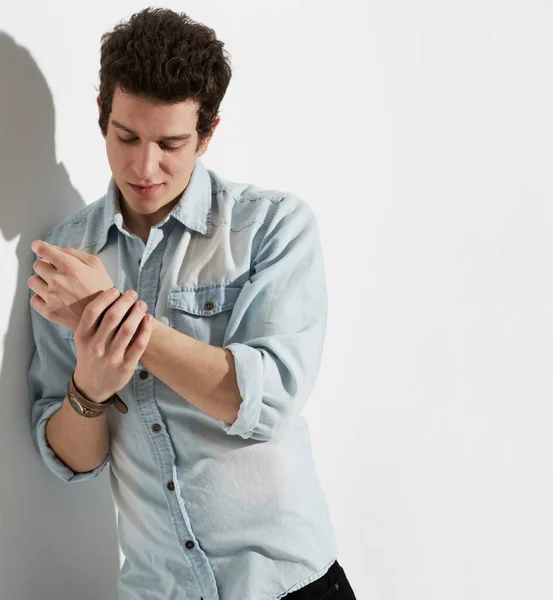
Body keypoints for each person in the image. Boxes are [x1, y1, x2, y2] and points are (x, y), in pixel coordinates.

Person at [27, 7, 357, 600]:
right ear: (101, 117)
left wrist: (106, 313)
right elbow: (71, 460)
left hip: (287, 586)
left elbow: (267, 399)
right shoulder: (68, 259)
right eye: (125, 136)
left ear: (207, 134)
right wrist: (90, 390)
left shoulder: (272, 228)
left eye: (171, 143)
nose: (143, 165)